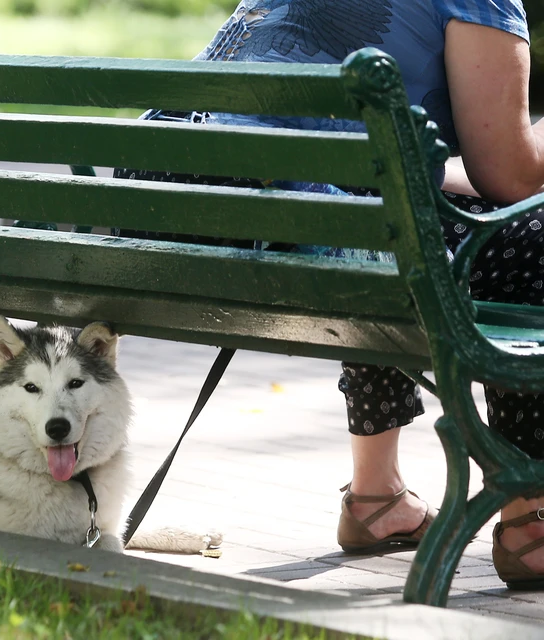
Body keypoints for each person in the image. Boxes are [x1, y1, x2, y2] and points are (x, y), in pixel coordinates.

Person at [115, 0, 544, 589]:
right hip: (317, 231)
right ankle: (532, 520)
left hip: (182, 226)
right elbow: (514, 178)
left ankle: (376, 496)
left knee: (388, 221)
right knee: (519, 235)